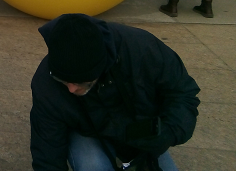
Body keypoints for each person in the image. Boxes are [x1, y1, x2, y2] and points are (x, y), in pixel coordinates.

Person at [30, 13, 200, 171]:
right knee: (93, 166)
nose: (71, 89)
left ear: (100, 69)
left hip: (139, 128)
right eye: (63, 81)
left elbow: (182, 94)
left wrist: (168, 133)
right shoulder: (46, 83)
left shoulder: (142, 48)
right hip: (85, 132)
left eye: (82, 83)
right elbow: (47, 151)